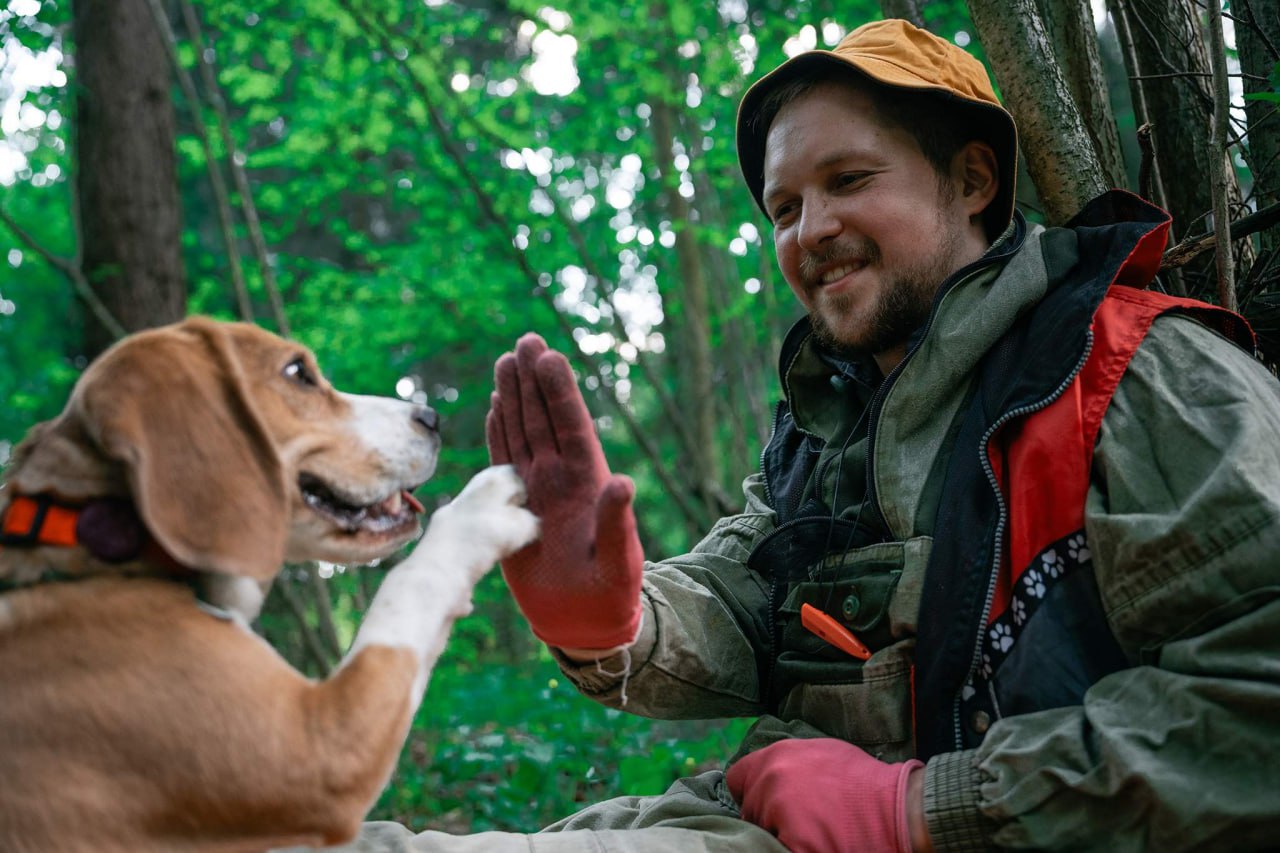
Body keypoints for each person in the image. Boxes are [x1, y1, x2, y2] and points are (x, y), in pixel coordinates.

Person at [307, 17, 1280, 853]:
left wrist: (920, 810)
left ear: (973, 179)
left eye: (847, 180)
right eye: (783, 207)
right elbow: (740, 604)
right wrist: (614, 622)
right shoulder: (824, 438)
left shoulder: (1141, 378)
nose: (808, 229)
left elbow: (1255, 705)